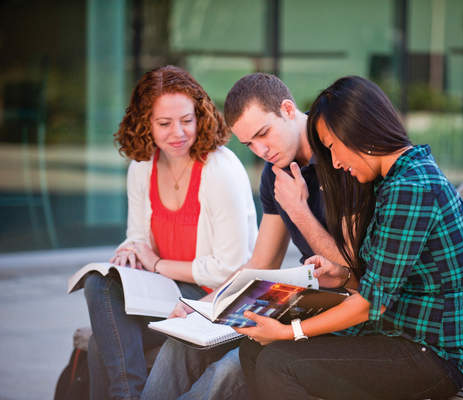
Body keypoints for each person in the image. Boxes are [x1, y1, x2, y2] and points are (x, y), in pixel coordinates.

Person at [236, 76, 463, 400]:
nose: (335, 162)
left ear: (359, 133)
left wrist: (289, 331)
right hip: (391, 333)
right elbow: (376, 279)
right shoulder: (391, 180)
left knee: (278, 363)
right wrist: (342, 274)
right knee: (254, 349)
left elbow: (371, 303)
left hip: (432, 356)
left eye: (333, 148)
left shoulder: (410, 188)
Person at [141, 73, 353, 400]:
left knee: (229, 369)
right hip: (299, 296)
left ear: (287, 109)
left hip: (343, 306)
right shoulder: (275, 172)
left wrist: (298, 209)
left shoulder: (341, 155)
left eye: (263, 134)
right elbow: (261, 262)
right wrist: (205, 305)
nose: (260, 150)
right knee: (179, 343)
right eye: (249, 144)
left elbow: (350, 268)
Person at [84, 65, 258, 400]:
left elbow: (229, 266)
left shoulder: (220, 170)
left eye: (187, 120)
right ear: (145, 123)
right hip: (166, 292)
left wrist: (157, 265)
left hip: (214, 296)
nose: (178, 132)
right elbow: (138, 236)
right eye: (164, 123)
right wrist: (130, 252)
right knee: (99, 284)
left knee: (98, 345)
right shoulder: (142, 167)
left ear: (200, 116)